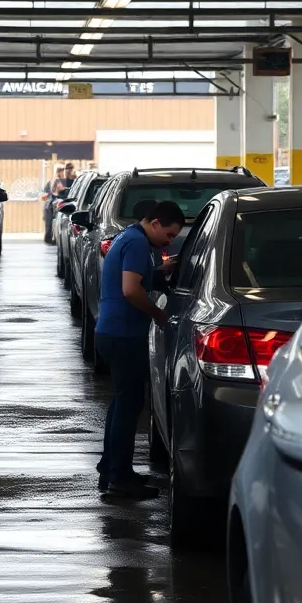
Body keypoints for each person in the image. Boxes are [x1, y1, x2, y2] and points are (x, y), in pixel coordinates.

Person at [94, 200, 185, 498]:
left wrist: (161, 270)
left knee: (122, 403)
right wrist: (158, 315)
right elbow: (131, 289)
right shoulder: (135, 243)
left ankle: (112, 468)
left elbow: (139, 278)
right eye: (169, 235)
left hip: (112, 332)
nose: (169, 241)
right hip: (123, 334)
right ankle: (119, 479)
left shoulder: (129, 237)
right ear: (156, 223)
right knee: (129, 405)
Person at [42, 163, 65, 244]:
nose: (63, 173)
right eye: (62, 171)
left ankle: (50, 238)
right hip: (53, 204)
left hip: (51, 204)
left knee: (50, 223)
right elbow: (55, 192)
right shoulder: (56, 180)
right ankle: (50, 239)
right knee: (51, 223)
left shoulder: (55, 180)